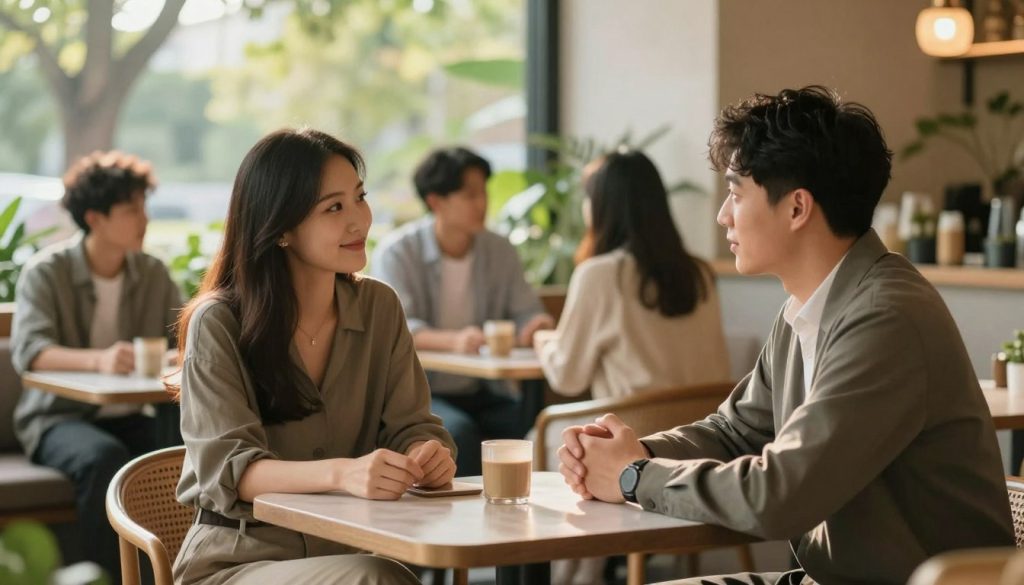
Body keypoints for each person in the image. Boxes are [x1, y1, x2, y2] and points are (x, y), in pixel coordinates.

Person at [557, 86, 1015, 585]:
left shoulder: (887, 317)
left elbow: (781, 496)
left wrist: (632, 477)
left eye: (735, 193)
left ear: (797, 208)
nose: (722, 216)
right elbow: (736, 432)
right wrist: (632, 453)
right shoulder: (806, 306)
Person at [171, 128, 454, 585]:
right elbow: (232, 471)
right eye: (334, 208)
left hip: (348, 547)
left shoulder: (379, 308)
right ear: (281, 227)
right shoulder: (218, 323)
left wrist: (426, 454)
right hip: (240, 561)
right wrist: (345, 473)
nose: (359, 221)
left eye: (359, 198)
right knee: (377, 579)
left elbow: (412, 425)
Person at [10, 151, 183, 580]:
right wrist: (100, 361)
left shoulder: (153, 273)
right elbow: (30, 351)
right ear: (95, 217)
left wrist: (183, 352)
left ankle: (176, 574)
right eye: (131, 210)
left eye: (144, 207)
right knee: (103, 457)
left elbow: (186, 338)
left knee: (173, 455)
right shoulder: (46, 273)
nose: (144, 220)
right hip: (56, 418)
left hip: (132, 413)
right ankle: (103, 576)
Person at [372, 146, 553, 476]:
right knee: (459, 433)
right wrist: (456, 341)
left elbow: (527, 311)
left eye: (483, 192)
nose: (482, 203)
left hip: (484, 388)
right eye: (470, 194)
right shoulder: (399, 253)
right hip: (422, 393)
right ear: (436, 201)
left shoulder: (499, 250)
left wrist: (535, 325)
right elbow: (396, 328)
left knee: (533, 422)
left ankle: (520, 513)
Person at [535, 150, 730, 401]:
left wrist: (544, 343)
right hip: (701, 432)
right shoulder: (700, 273)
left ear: (600, 206)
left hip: (633, 435)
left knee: (529, 437)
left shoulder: (599, 275)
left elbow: (567, 378)